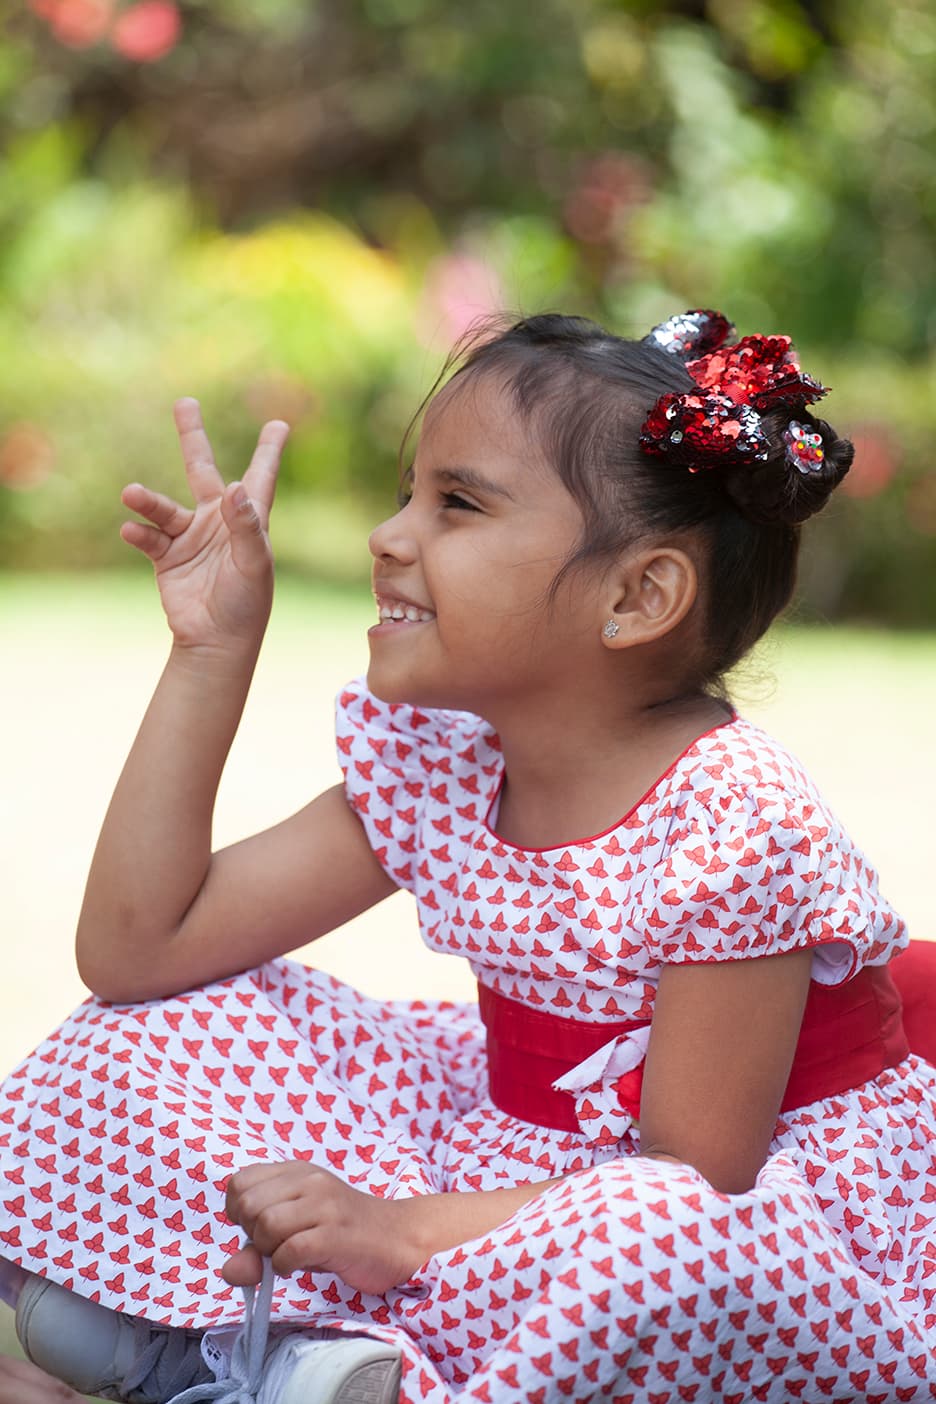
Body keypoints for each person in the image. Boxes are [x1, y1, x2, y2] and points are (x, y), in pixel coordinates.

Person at [1, 309, 934, 1404]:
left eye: (457, 504)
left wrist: (397, 1233)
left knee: (661, 1245)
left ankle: (283, 1366)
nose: (389, 536)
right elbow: (136, 950)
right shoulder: (449, 763)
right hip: (494, 1148)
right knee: (143, 1037)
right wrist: (213, 651)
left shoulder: (740, 826)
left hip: (722, 1210)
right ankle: (270, 1363)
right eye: (407, 494)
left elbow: (697, 1176)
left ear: (637, 597)